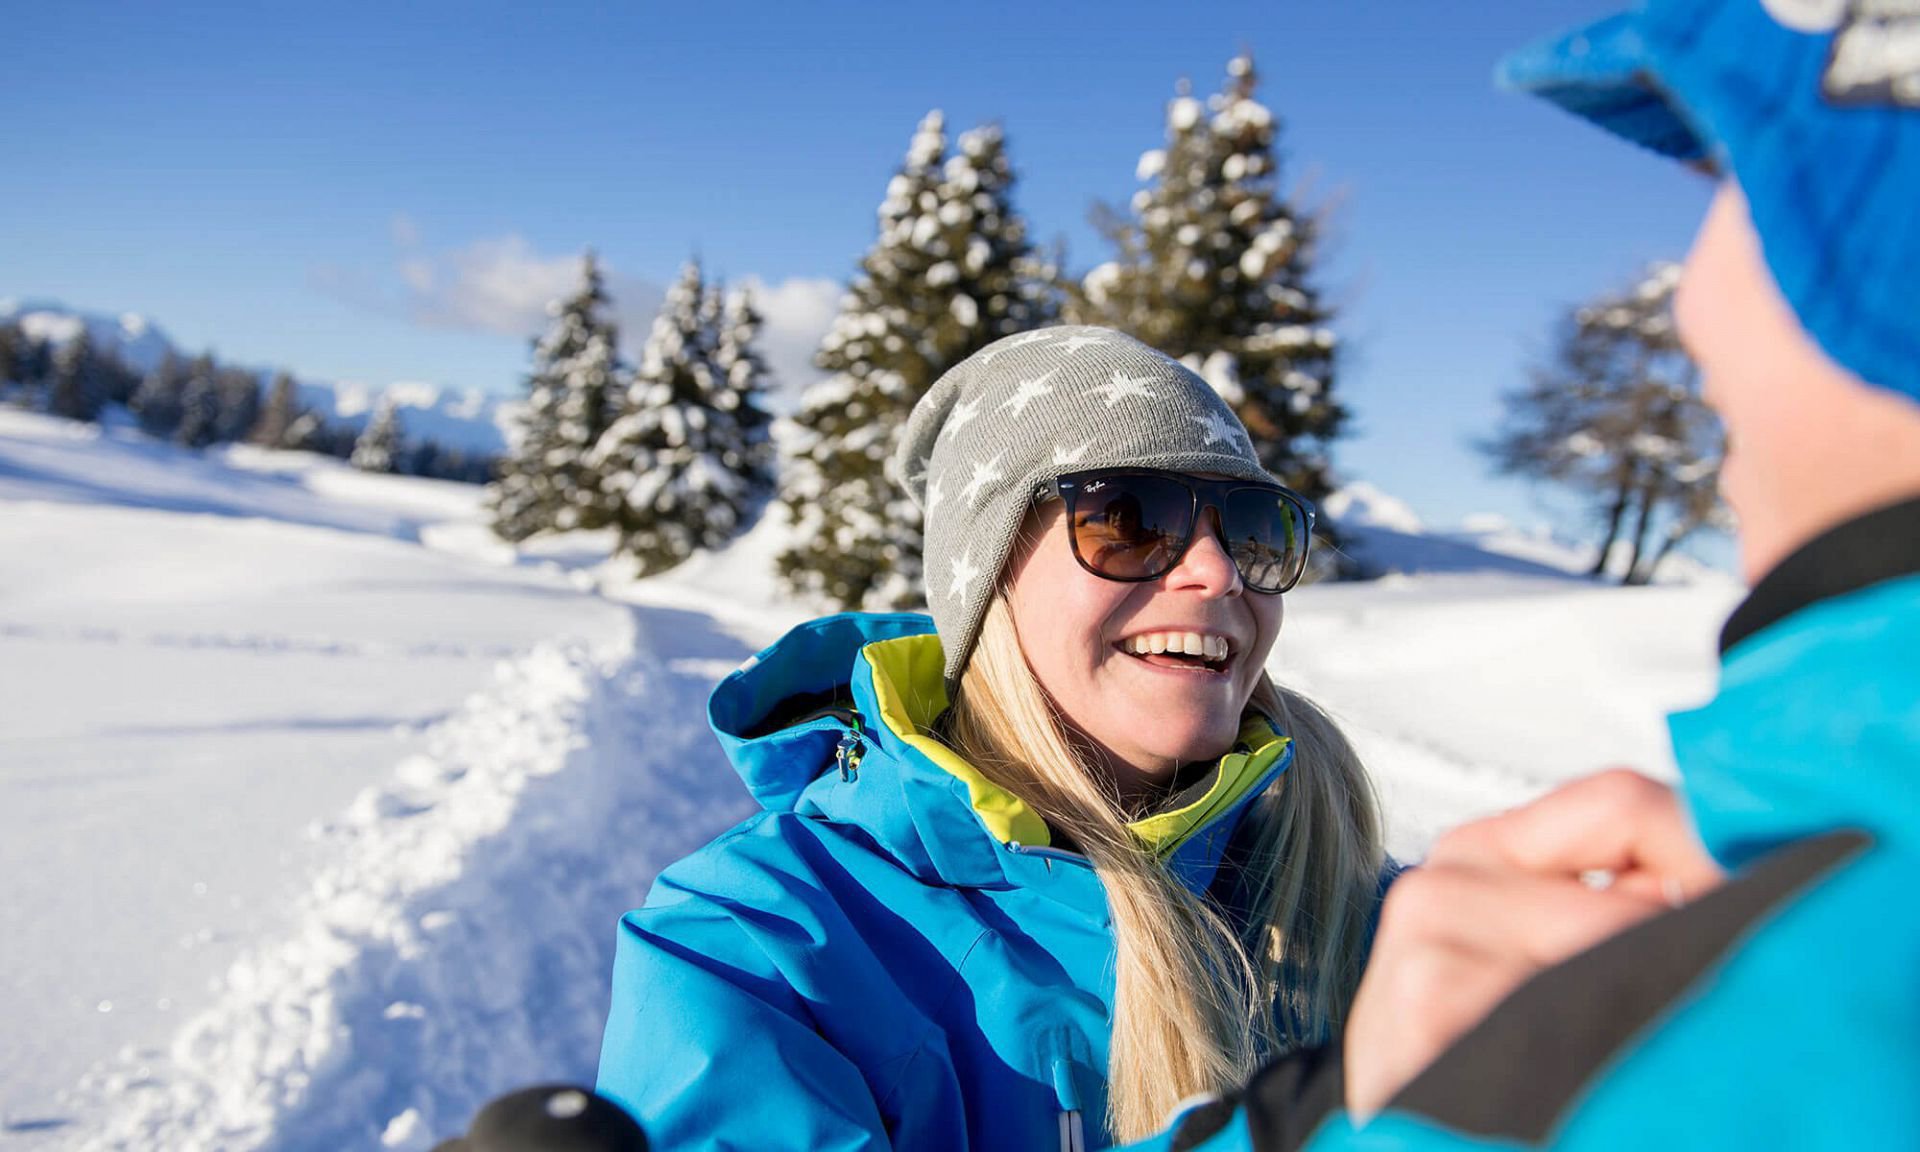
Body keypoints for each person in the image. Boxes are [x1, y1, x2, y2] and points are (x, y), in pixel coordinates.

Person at [1125, 1, 1920, 1149]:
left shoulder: (1654, 1031)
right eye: (1129, 521)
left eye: (1732, 174)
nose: (1688, 289)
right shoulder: (795, 938)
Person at [594, 328, 1393, 1149]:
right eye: (1132, 520)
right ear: (986, 584)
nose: (1218, 572)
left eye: (1254, 529)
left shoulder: (1356, 910)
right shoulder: (756, 944)